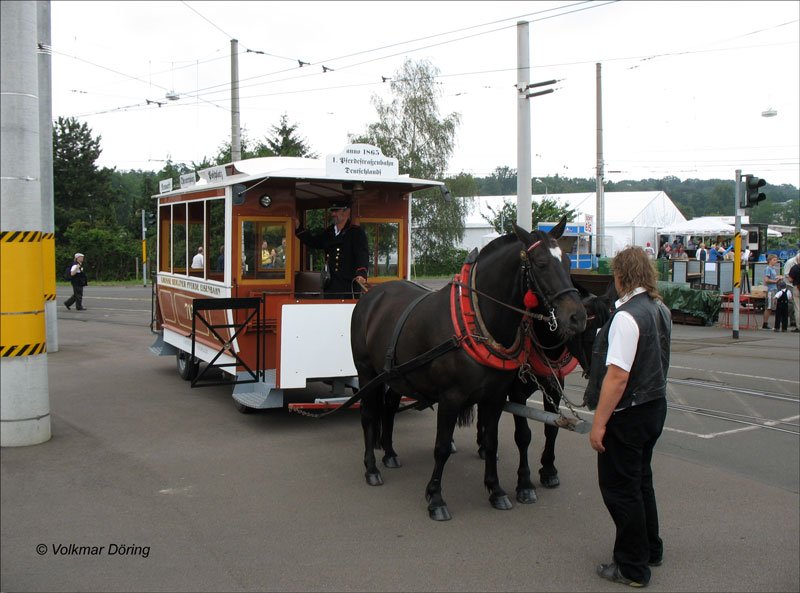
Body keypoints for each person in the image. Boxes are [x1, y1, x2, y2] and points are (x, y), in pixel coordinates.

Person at [583, 246, 671, 589]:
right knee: (640, 480)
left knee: (620, 490)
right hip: (655, 406)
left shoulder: (626, 317)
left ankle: (632, 567)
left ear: (621, 276)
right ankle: (651, 548)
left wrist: (599, 423)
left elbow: (617, 377)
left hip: (629, 413)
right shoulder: (659, 308)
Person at [295, 199, 369, 298]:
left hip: (348, 285)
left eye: (336, 211)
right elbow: (314, 242)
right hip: (330, 285)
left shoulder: (355, 232)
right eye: (332, 211)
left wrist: (361, 273)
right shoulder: (329, 232)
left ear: (347, 212)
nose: (333, 214)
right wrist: (298, 228)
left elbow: (362, 254)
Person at [762, 254, 783, 330]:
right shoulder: (768, 269)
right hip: (770, 289)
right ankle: (765, 323)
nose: (775, 261)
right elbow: (766, 280)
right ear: (770, 260)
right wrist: (775, 281)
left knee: (772, 306)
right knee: (769, 307)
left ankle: (767, 322)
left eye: (776, 260)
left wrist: (778, 278)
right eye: (774, 260)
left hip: (774, 289)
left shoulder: (773, 269)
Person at [785, 252, 800, 332]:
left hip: (796, 287)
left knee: (797, 308)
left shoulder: (795, 267)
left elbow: (790, 279)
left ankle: (798, 326)